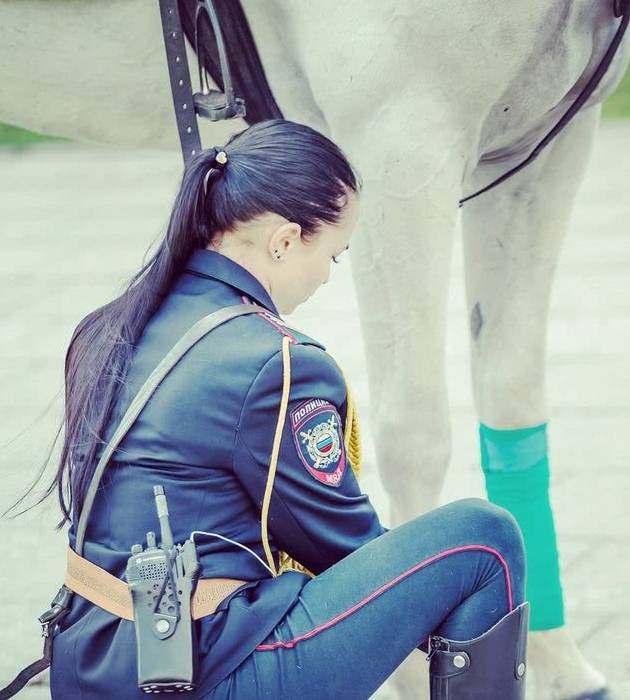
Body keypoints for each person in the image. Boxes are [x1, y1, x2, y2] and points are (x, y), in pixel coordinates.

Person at [33, 119, 528, 699]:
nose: (325, 276)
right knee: (483, 540)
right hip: (195, 674)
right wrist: (449, 612)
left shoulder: (108, 326)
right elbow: (343, 546)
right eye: (334, 256)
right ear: (285, 241)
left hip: (94, 662)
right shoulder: (279, 363)